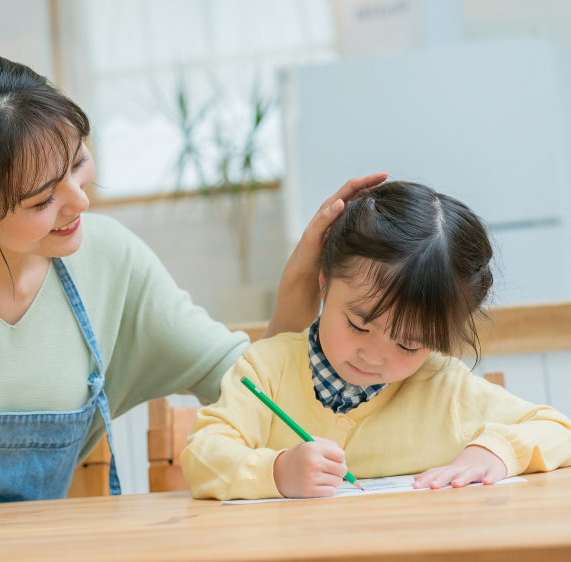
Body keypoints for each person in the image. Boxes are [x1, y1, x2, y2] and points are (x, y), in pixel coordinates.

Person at [0, 51, 385, 529]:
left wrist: (302, 280)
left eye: (78, 162)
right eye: (40, 198)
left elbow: (252, 389)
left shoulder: (108, 259)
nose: (79, 201)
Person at [181, 181, 571, 500]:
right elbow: (201, 456)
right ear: (324, 282)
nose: (373, 355)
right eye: (357, 324)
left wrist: (495, 451)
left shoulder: (444, 386)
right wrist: (277, 471)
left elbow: (558, 430)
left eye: (408, 345)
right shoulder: (266, 368)